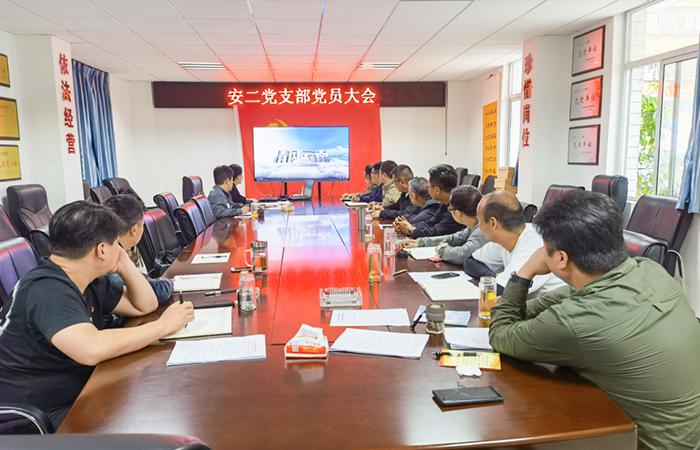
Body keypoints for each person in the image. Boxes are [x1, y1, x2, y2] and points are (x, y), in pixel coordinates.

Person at [489, 190, 700, 450]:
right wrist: (525, 308)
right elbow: (566, 297)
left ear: (561, 258)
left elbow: (500, 333)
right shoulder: (648, 269)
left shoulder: (576, 321)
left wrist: (525, 272)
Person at [0, 201, 194, 432]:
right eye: (116, 245)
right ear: (101, 250)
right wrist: (163, 326)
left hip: (76, 392)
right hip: (36, 414)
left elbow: (145, 305)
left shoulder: (86, 279)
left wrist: (123, 263)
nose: (120, 250)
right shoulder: (46, 288)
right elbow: (91, 348)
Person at [465, 190, 565, 295]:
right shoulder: (504, 238)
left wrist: (493, 281)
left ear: (493, 223)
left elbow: (504, 292)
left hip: (558, 303)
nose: (479, 226)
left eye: (480, 221)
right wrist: (493, 278)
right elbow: (470, 262)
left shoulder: (533, 245)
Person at [104, 194, 174, 305]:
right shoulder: (112, 258)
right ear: (134, 230)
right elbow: (157, 292)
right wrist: (170, 282)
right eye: (143, 225)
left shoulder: (106, 248)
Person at [403, 185, 487, 265]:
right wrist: (422, 242)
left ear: (458, 213)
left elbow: (462, 255)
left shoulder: (482, 229)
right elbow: (455, 238)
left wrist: (441, 250)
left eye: (450, 209)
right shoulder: (475, 223)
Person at [394, 164, 463, 238]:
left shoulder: (456, 208)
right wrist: (407, 227)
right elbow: (430, 222)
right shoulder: (444, 203)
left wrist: (411, 230)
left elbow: (436, 232)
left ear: (437, 190)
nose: (427, 190)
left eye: (429, 187)